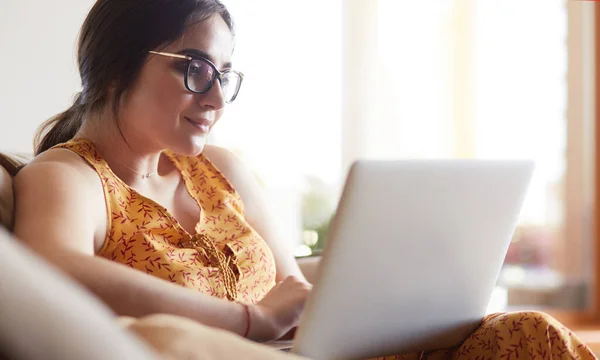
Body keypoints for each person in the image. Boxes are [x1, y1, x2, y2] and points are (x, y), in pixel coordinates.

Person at [11, 0, 596, 359]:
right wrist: (250, 319)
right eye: (196, 69)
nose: (216, 96)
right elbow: (53, 271)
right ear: (117, 64)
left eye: (225, 74)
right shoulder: (70, 175)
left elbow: (293, 290)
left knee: (527, 333)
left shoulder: (223, 169)